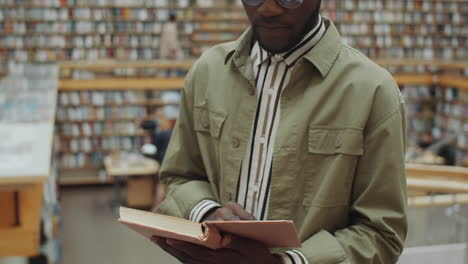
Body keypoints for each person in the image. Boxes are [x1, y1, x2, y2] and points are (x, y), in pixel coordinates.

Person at [153, 0, 408, 263]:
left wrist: (284, 263)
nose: (267, 9)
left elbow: (380, 233)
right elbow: (179, 176)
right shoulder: (208, 72)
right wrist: (207, 214)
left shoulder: (373, 91)